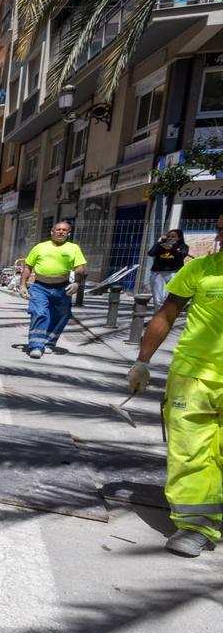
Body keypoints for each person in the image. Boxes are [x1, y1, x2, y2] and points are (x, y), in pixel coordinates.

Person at [127, 214, 223, 557]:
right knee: (190, 453)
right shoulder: (199, 269)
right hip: (193, 376)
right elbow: (166, 315)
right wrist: (142, 361)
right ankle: (196, 526)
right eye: (221, 229)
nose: (222, 236)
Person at [19, 220, 87, 359]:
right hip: (40, 287)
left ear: (69, 233)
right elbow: (28, 266)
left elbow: (80, 268)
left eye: (64, 230)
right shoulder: (40, 247)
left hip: (62, 287)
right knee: (39, 312)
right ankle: (36, 346)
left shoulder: (73, 248)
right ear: (52, 231)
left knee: (62, 315)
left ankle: (49, 343)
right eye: (58, 229)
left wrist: (77, 283)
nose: (61, 232)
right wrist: (22, 285)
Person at [147, 228, 190, 309]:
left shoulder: (182, 246)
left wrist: (172, 249)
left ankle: (168, 314)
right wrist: (158, 242)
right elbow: (151, 253)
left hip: (173, 272)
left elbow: (181, 256)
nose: (170, 238)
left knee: (170, 297)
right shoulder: (161, 245)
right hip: (158, 273)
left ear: (179, 238)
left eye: (173, 237)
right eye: (168, 236)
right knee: (158, 299)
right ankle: (158, 315)